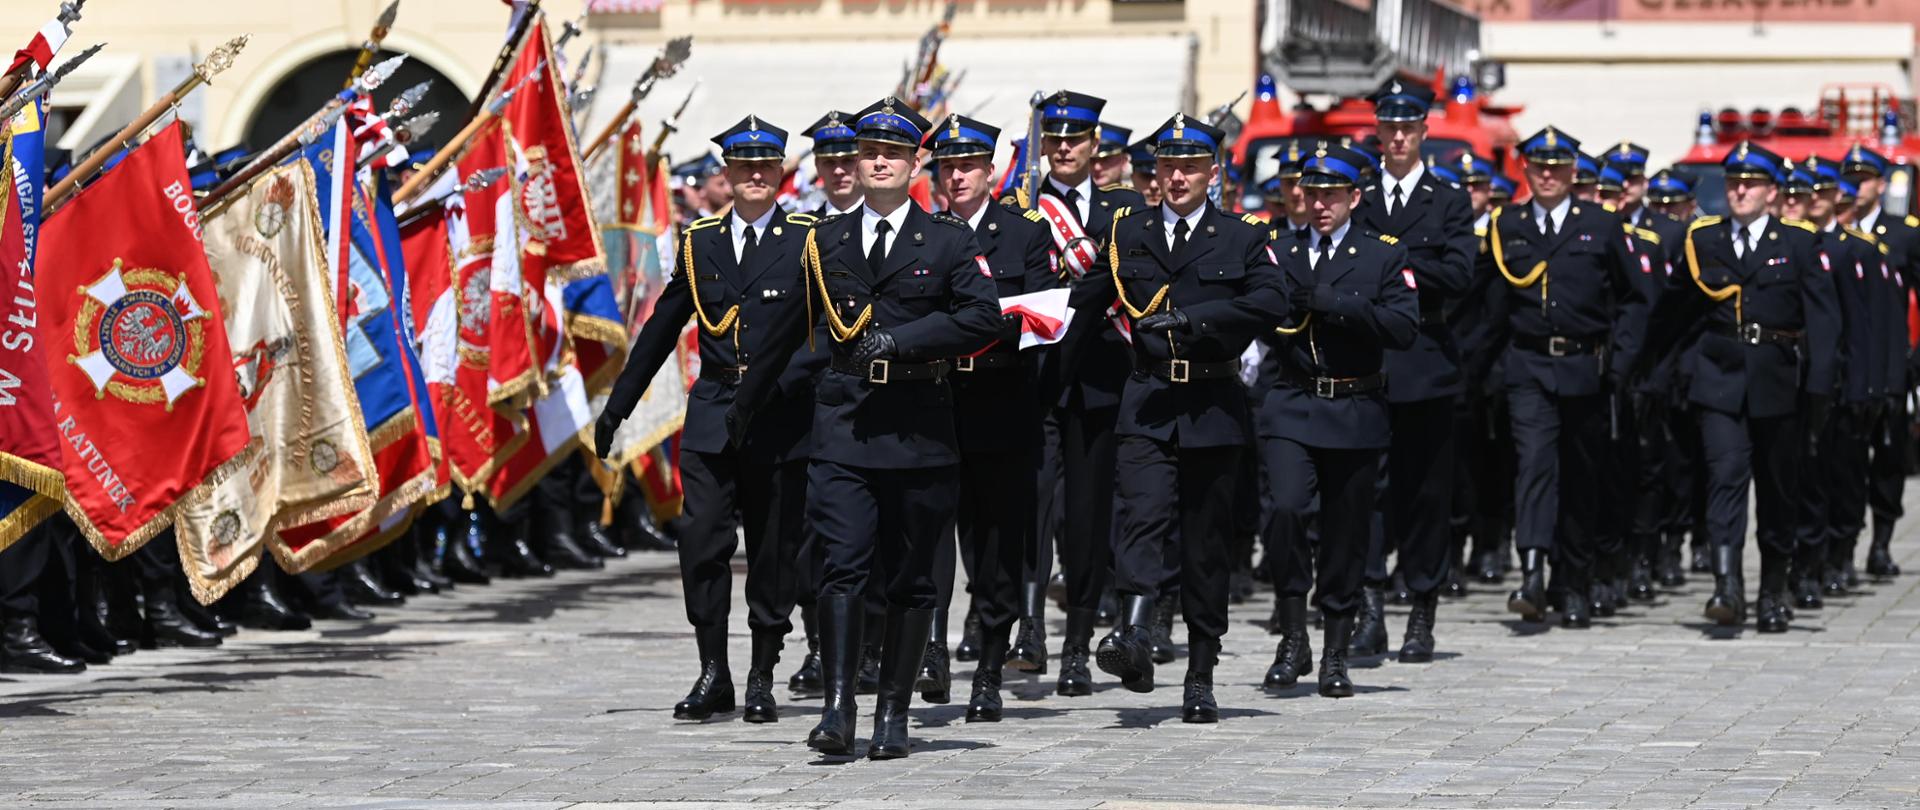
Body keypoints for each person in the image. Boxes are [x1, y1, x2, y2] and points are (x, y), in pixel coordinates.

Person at [746, 97, 1001, 759]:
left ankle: (893, 711)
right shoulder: (825, 240)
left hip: (919, 427)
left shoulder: (948, 239)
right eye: (869, 151)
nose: (879, 161)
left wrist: (900, 339)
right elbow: (785, 330)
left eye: (893, 152)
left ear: (916, 161)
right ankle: (838, 708)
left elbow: (982, 319)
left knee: (915, 578)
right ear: (855, 163)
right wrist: (744, 401)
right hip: (846, 425)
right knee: (842, 567)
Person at [595, 115, 824, 723]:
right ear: (727, 173)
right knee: (701, 544)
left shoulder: (807, 240)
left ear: (779, 173)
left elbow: (824, 332)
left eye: (765, 165)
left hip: (778, 417)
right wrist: (618, 406)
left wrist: (790, 383)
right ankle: (713, 670)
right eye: (743, 165)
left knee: (774, 551)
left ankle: (761, 674)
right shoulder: (700, 243)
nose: (754, 175)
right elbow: (661, 328)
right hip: (715, 414)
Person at [1075, 113, 1287, 722]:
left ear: (1212, 173)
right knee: (1139, 520)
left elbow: (1272, 300)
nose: (1177, 177)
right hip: (1147, 399)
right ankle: (1136, 636)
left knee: (1205, 543)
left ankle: (1200, 670)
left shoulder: (1242, 235)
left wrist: (1197, 321)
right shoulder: (1128, 232)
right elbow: (1084, 307)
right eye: (1168, 166)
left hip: (1212, 406)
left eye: (1190, 167)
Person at [1649, 142, 1839, 631]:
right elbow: (1673, 312)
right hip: (1719, 379)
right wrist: (1642, 367)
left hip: (1779, 382)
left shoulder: (1797, 242)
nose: (1739, 190)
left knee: (1778, 492)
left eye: (1750, 183)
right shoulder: (1705, 239)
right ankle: (1726, 586)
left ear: (1771, 192)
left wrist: (1820, 390)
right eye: (1733, 182)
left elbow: (1822, 321)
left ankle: (1773, 589)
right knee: (1725, 477)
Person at [1259, 144, 1418, 698]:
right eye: (1313, 193)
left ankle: (1334, 651)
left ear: (1354, 197)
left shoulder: (1381, 255)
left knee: (1347, 533)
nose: (1320, 204)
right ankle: (1292, 633)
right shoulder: (1278, 249)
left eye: (1332, 195)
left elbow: (1403, 327)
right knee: (1283, 509)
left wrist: (1340, 304)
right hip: (1292, 401)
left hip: (1353, 407)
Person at [919, 114, 1055, 722]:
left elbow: (1045, 316)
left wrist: (971, 324)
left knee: (996, 542)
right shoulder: (922, 232)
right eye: (948, 165)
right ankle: (930, 651)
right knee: (929, 536)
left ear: (991, 169)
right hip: (936, 402)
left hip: (1002, 401)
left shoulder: (1022, 232)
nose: (958, 176)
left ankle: (992, 669)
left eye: (969, 165)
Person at [1486, 126, 1648, 629]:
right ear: (1526, 170)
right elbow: (1492, 307)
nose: (1548, 175)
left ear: (1573, 172)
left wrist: (1619, 364)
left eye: (1557, 167)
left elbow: (1634, 299)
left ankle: (1573, 582)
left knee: (1580, 476)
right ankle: (1531, 573)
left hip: (1586, 368)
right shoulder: (1507, 224)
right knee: (1534, 466)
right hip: (1528, 365)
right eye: (1539, 167)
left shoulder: (1599, 224)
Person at [1016, 90, 1146, 698]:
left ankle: (1077, 645)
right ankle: (1030, 630)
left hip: (1098, 380)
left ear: (1096, 147)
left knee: (1089, 519)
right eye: (1055, 139)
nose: (1063, 147)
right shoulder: (1022, 208)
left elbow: (1130, 284)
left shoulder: (1123, 210)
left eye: (1075, 139)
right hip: (1036, 380)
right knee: (1032, 510)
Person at [1350, 79, 1475, 663]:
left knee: (1426, 493)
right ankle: (1370, 607)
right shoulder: (1358, 195)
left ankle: (1422, 608)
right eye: (1389, 128)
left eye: (1408, 128)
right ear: (1378, 131)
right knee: (1367, 492)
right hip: (1367, 360)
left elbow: (1459, 275)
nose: (1398, 137)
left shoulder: (1448, 199)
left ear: (1424, 131)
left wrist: (1389, 269)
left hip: (1426, 361)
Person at [1838, 145, 1912, 583]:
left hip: (1890, 361)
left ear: (1882, 185)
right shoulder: (1831, 230)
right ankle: (1842, 545)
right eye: (1851, 177)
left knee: (1888, 455)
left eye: (1865, 179)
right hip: (1847, 361)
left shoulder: (1904, 234)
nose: (1857, 186)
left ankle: (1881, 543)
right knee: (1843, 459)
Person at [805, 111, 864, 219]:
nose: (838, 171)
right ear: (817, 166)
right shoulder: (803, 229)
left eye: (847, 160)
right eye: (829, 162)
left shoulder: (884, 222)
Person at [1093, 124, 1132, 188]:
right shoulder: (1073, 196)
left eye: (1105, 159)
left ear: (1124, 162)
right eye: (1092, 160)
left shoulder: (1134, 197)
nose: (1097, 167)